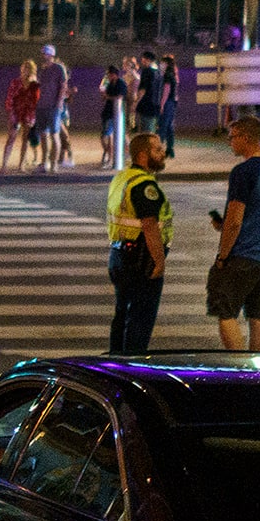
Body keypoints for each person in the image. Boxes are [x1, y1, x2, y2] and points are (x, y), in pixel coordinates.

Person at [208, 114, 260, 352]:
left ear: (245, 138)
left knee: (226, 313)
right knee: (258, 316)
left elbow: (234, 221)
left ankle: (239, 365)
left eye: (232, 137)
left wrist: (222, 256)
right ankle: (256, 367)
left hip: (243, 256)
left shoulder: (243, 172)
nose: (230, 142)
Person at [104, 130, 171, 354]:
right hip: (140, 259)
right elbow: (149, 225)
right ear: (143, 155)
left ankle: (115, 361)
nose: (163, 153)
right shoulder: (144, 185)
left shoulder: (122, 178)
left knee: (123, 313)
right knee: (140, 318)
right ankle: (132, 364)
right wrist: (159, 261)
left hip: (119, 254)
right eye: (157, 150)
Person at [36, 47, 69, 173]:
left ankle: (54, 163)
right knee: (43, 135)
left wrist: (59, 102)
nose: (43, 56)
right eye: (43, 53)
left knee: (55, 134)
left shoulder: (58, 68)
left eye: (45, 53)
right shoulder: (43, 70)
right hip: (42, 105)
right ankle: (44, 162)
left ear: (51, 55)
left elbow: (63, 85)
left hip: (53, 106)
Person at [96, 63, 124, 168]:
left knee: (106, 135)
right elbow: (105, 98)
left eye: (109, 74)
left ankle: (109, 156)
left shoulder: (121, 84)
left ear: (114, 74)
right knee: (107, 135)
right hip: (107, 112)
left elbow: (120, 97)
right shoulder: (110, 84)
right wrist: (103, 95)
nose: (108, 76)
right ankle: (109, 154)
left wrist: (108, 96)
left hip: (115, 113)